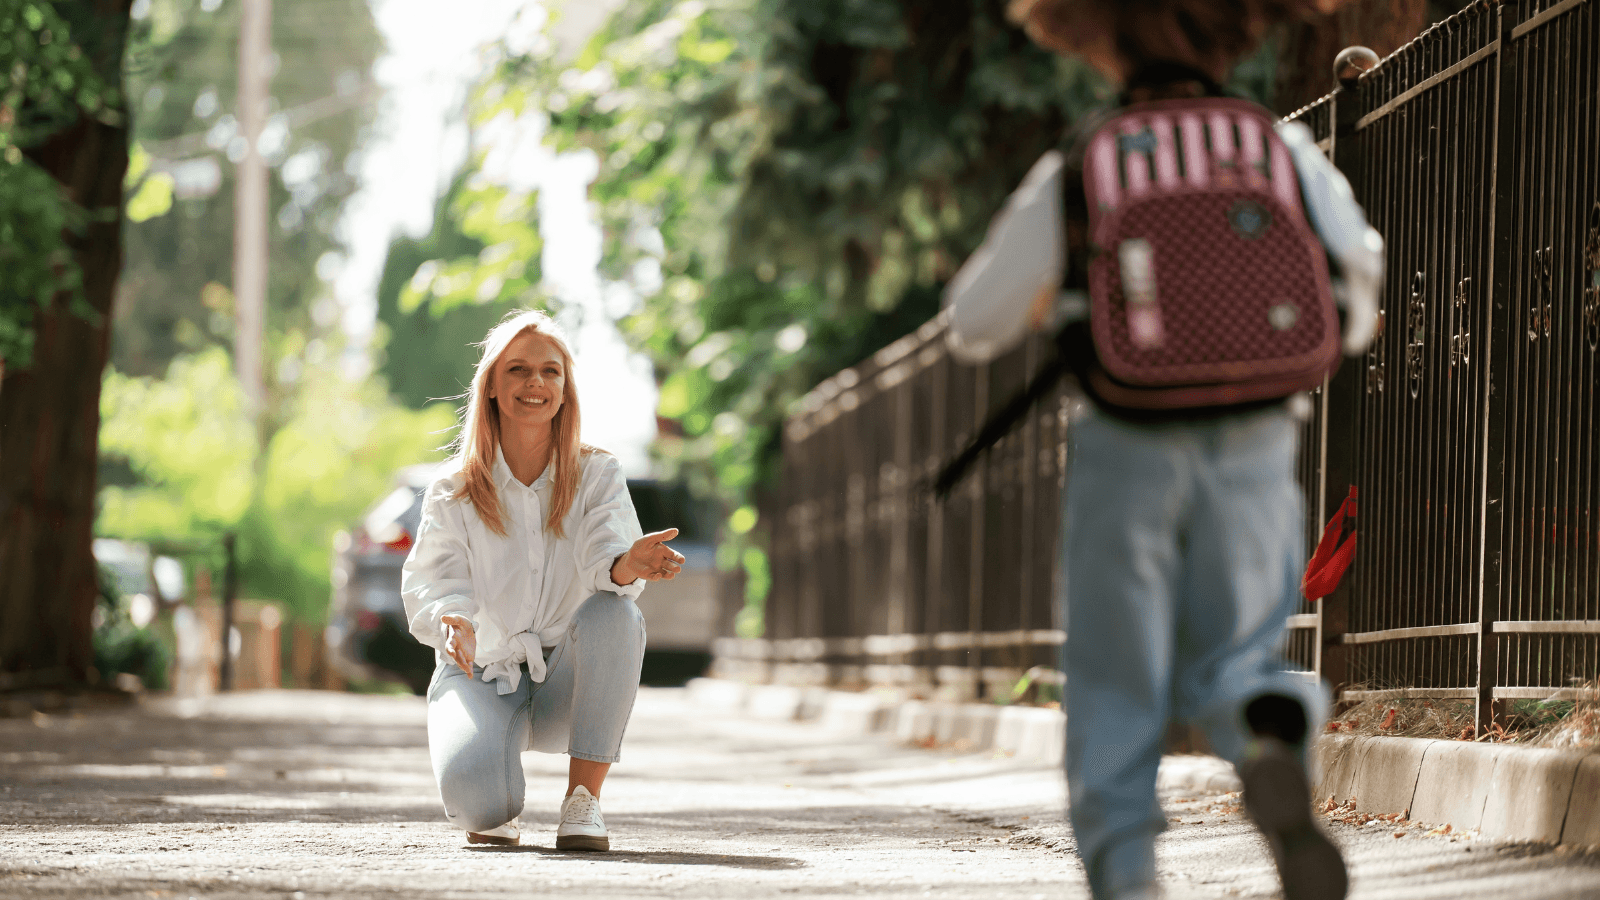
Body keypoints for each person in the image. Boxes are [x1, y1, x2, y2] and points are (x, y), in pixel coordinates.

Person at [943, 2, 1383, 898]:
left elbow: (971, 322)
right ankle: (1269, 739)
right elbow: (1358, 283)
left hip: (1126, 442)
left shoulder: (1085, 162)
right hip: (1258, 439)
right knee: (1240, 659)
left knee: (1115, 683)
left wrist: (1058, 298)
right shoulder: (1276, 148)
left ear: (1096, 34)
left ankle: (1128, 879)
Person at [401, 309, 685, 850]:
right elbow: (434, 577)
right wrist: (451, 617)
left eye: (550, 371)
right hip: (482, 673)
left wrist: (630, 563)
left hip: (566, 681)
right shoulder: (453, 488)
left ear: (565, 387)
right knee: (481, 811)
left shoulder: (597, 473)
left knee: (615, 612)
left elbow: (606, 557)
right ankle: (495, 781)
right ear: (490, 385)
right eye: (518, 370)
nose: (535, 383)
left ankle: (583, 802)